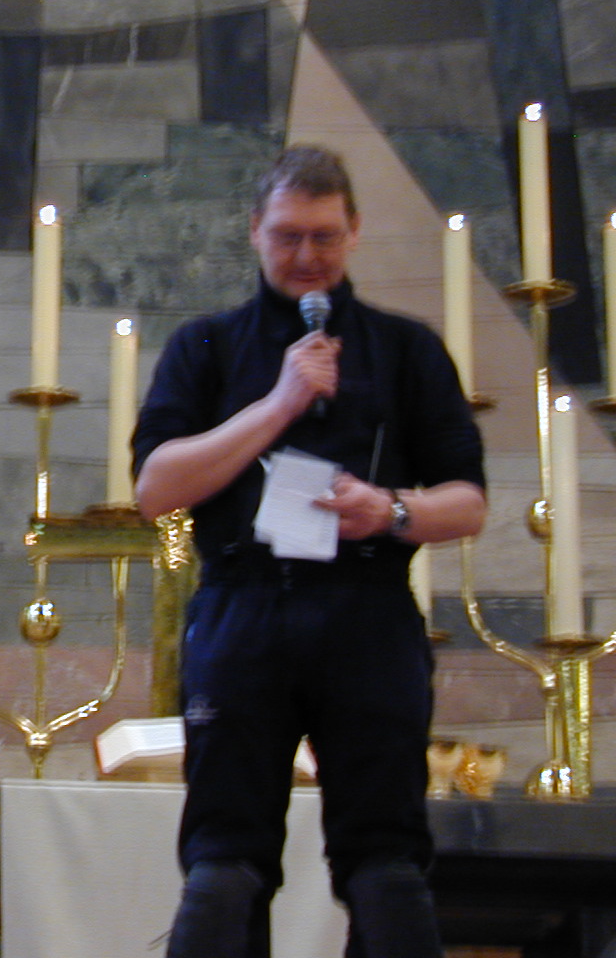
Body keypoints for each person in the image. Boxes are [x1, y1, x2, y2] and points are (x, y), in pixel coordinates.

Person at [132, 145, 486, 958]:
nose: (306, 256)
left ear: (354, 231)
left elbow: (467, 503)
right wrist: (281, 402)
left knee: (386, 857)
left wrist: (390, 510)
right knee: (225, 856)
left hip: (368, 612)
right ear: (255, 230)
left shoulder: (406, 349)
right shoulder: (206, 347)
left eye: (324, 237)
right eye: (287, 236)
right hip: (244, 607)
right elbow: (156, 488)